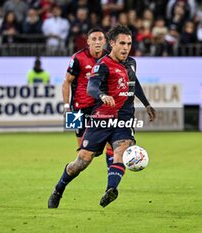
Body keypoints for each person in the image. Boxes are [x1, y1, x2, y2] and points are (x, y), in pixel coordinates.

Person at [48, 25, 156, 209]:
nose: (125, 47)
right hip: (93, 115)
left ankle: (111, 189)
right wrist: (99, 96)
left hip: (124, 119)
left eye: (129, 44)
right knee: (82, 161)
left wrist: (146, 104)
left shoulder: (131, 63)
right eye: (122, 43)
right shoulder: (99, 64)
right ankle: (59, 188)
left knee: (120, 150)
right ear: (112, 43)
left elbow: (133, 82)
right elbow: (90, 86)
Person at [62, 27, 114, 168]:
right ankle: (71, 170)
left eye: (100, 39)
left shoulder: (109, 58)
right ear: (88, 42)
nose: (97, 42)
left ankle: (113, 174)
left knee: (111, 141)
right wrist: (66, 106)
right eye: (94, 39)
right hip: (78, 108)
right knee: (82, 150)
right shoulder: (78, 58)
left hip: (100, 107)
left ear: (105, 41)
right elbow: (67, 81)